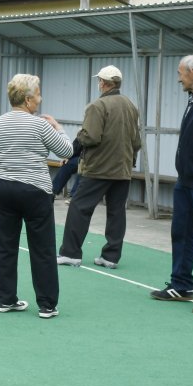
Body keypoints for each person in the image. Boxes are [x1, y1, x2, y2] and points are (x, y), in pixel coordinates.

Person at [0, 73, 72, 319]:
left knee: (5, 246)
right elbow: (67, 150)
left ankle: (6, 299)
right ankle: (47, 304)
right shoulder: (40, 124)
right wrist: (59, 128)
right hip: (35, 190)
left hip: (4, 188)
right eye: (38, 95)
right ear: (29, 99)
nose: (40, 100)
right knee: (42, 248)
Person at [57, 65, 141, 269]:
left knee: (79, 208)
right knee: (116, 212)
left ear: (103, 83)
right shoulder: (131, 105)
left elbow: (91, 137)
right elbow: (136, 141)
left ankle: (70, 253)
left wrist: (79, 136)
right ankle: (111, 257)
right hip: (123, 169)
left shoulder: (97, 106)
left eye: (99, 81)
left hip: (99, 168)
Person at [150, 55, 193, 315]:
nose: (178, 77)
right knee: (181, 233)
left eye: (181, 72)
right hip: (185, 182)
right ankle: (182, 285)